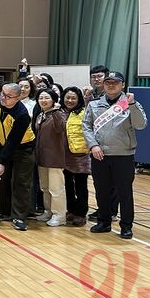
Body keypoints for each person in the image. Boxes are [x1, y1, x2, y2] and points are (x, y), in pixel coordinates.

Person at [83, 72, 147, 240]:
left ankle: (126, 226)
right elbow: (86, 126)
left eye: (115, 82)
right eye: (108, 82)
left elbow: (140, 124)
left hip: (123, 155)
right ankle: (104, 221)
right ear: (103, 85)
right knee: (101, 190)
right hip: (100, 154)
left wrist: (132, 105)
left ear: (122, 85)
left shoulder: (130, 103)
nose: (111, 85)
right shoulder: (94, 104)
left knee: (124, 192)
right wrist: (93, 145)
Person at [0, 83, 36, 231]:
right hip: (2, 145)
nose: (3, 97)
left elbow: (13, 141)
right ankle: (3, 210)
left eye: (8, 96)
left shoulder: (22, 114)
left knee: (21, 183)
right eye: (2, 93)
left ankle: (19, 216)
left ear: (18, 98)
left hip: (23, 149)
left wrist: (2, 162)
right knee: (1, 181)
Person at [32, 89, 67, 227]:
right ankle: (48, 211)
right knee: (45, 187)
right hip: (41, 157)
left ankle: (60, 215)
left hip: (54, 158)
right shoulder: (41, 115)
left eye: (46, 98)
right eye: (41, 98)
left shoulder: (58, 114)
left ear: (53, 100)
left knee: (56, 188)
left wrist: (57, 111)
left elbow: (60, 128)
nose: (43, 100)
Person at [61, 86, 91, 227]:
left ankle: (81, 213)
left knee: (80, 185)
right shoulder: (59, 112)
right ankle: (71, 210)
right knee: (67, 184)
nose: (70, 100)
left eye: (73, 98)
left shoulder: (84, 112)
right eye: (67, 97)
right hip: (63, 155)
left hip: (80, 155)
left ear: (79, 100)